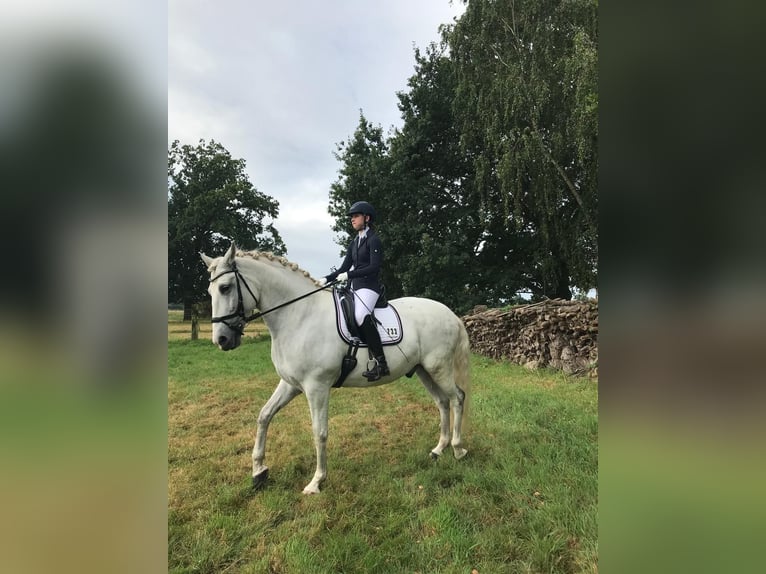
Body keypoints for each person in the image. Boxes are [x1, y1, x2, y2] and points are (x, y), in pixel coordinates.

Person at [319, 201, 389, 381]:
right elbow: (343, 268)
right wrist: (326, 279)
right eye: (352, 217)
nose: (352, 219)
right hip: (355, 287)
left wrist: (350, 274)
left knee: (360, 316)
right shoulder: (354, 242)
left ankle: (382, 364)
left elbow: (374, 267)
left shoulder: (373, 240)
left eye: (356, 216)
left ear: (367, 218)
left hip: (369, 287)